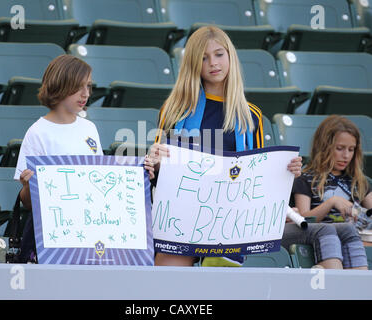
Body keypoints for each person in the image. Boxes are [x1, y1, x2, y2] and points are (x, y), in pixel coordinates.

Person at [145, 26, 302, 267]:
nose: (213, 63)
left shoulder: (252, 115)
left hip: (230, 220)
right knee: (166, 289)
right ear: (193, 64)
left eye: (219, 54)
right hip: (182, 215)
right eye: (204, 58)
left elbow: (256, 176)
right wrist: (155, 160)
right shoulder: (175, 109)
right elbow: (158, 175)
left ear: (230, 56)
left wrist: (285, 171)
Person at [14, 54, 103, 262]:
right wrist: (28, 186)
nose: (85, 94)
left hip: (87, 228)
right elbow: (27, 202)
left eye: (88, 86)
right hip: (50, 232)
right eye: (78, 87)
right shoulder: (37, 132)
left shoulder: (90, 128)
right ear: (59, 86)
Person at [288, 115, 370, 269]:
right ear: (324, 146)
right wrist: (332, 202)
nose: (346, 155)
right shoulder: (306, 178)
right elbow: (304, 219)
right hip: (323, 236)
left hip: (354, 236)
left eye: (351, 150)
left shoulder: (359, 181)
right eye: (339, 148)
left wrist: (362, 216)